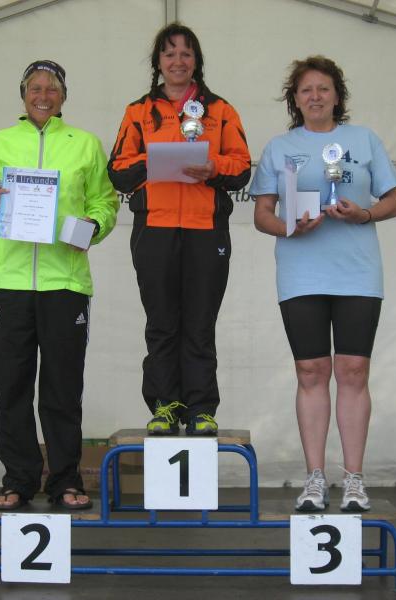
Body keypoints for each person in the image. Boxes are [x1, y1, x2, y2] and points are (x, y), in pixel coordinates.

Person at [250, 56, 396, 512]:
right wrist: (290, 227)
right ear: (294, 100)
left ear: (338, 95)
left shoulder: (364, 139)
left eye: (323, 88)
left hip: (358, 272)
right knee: (311, 372)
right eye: (306, 90)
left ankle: (354, 480)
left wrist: (364, 213)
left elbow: (394, 201)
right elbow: (262, 215)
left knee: (353, 371)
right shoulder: (279, 147)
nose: (315, 96)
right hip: (301, 274)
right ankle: (315, 479)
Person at [0, 60, 118, 511]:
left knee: (62, 389)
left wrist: (92, 226)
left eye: (52, 89)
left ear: (63, 97)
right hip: (8, 283)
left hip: (65, 283)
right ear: (23, 94)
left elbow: (105, 202)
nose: (43, 96)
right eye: (35, 88)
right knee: (11, 388)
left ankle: (66, 480)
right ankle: (18, 479)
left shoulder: (85, 144)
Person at [108, 23, 250, 436]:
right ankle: (165, 406)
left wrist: (213, 167)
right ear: (158, 62)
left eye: (186, 53)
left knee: (200, 324)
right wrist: (154, 160)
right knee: (162, 322)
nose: (178, 61)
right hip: (155, 228)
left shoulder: (220, 110)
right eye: (169, 54)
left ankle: (202, 408)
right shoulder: (138, 112)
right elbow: (118, 171)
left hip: (206, 229)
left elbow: (241, 168)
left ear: (196, 61)